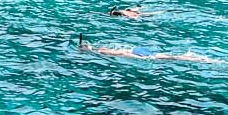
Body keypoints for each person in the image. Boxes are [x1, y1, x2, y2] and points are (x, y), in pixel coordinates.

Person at [78, 35, 218, 64]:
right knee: (167, 56)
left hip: (136, 54)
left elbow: (121, 53)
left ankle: (196, 59)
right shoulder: (99, 48)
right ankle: (192, 57)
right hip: (137, 50)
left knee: (166, 57)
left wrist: (139, 58)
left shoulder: (100, 51)